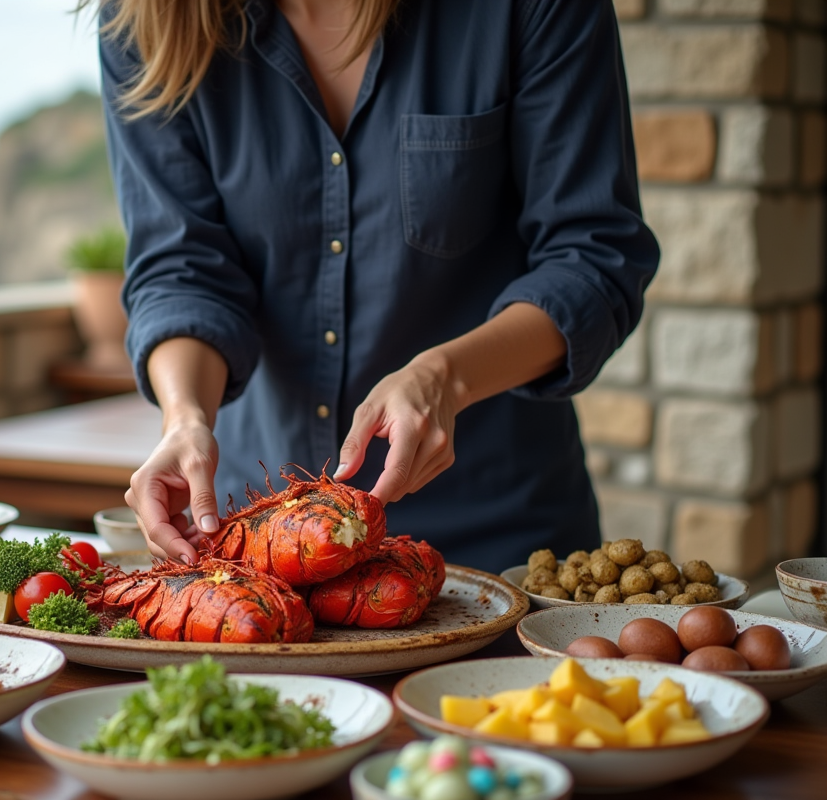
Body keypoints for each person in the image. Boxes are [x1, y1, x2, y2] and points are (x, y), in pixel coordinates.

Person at [87, 0, 659, 574]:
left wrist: (445, 377)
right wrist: (185, 418)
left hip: (499, 538)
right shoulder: (145, 21)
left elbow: (592, 256)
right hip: (258, 548)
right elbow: (182, 269)